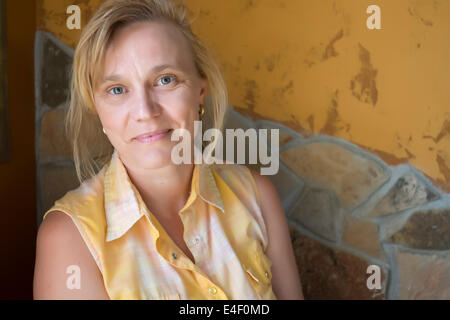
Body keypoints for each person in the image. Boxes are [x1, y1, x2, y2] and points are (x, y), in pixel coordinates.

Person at [33, 0, 303, 300]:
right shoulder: (70, 237)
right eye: (117, 89)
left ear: (201, 89)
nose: (145, 111)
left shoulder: (257, 196)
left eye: (165, 80)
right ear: (97, 106)